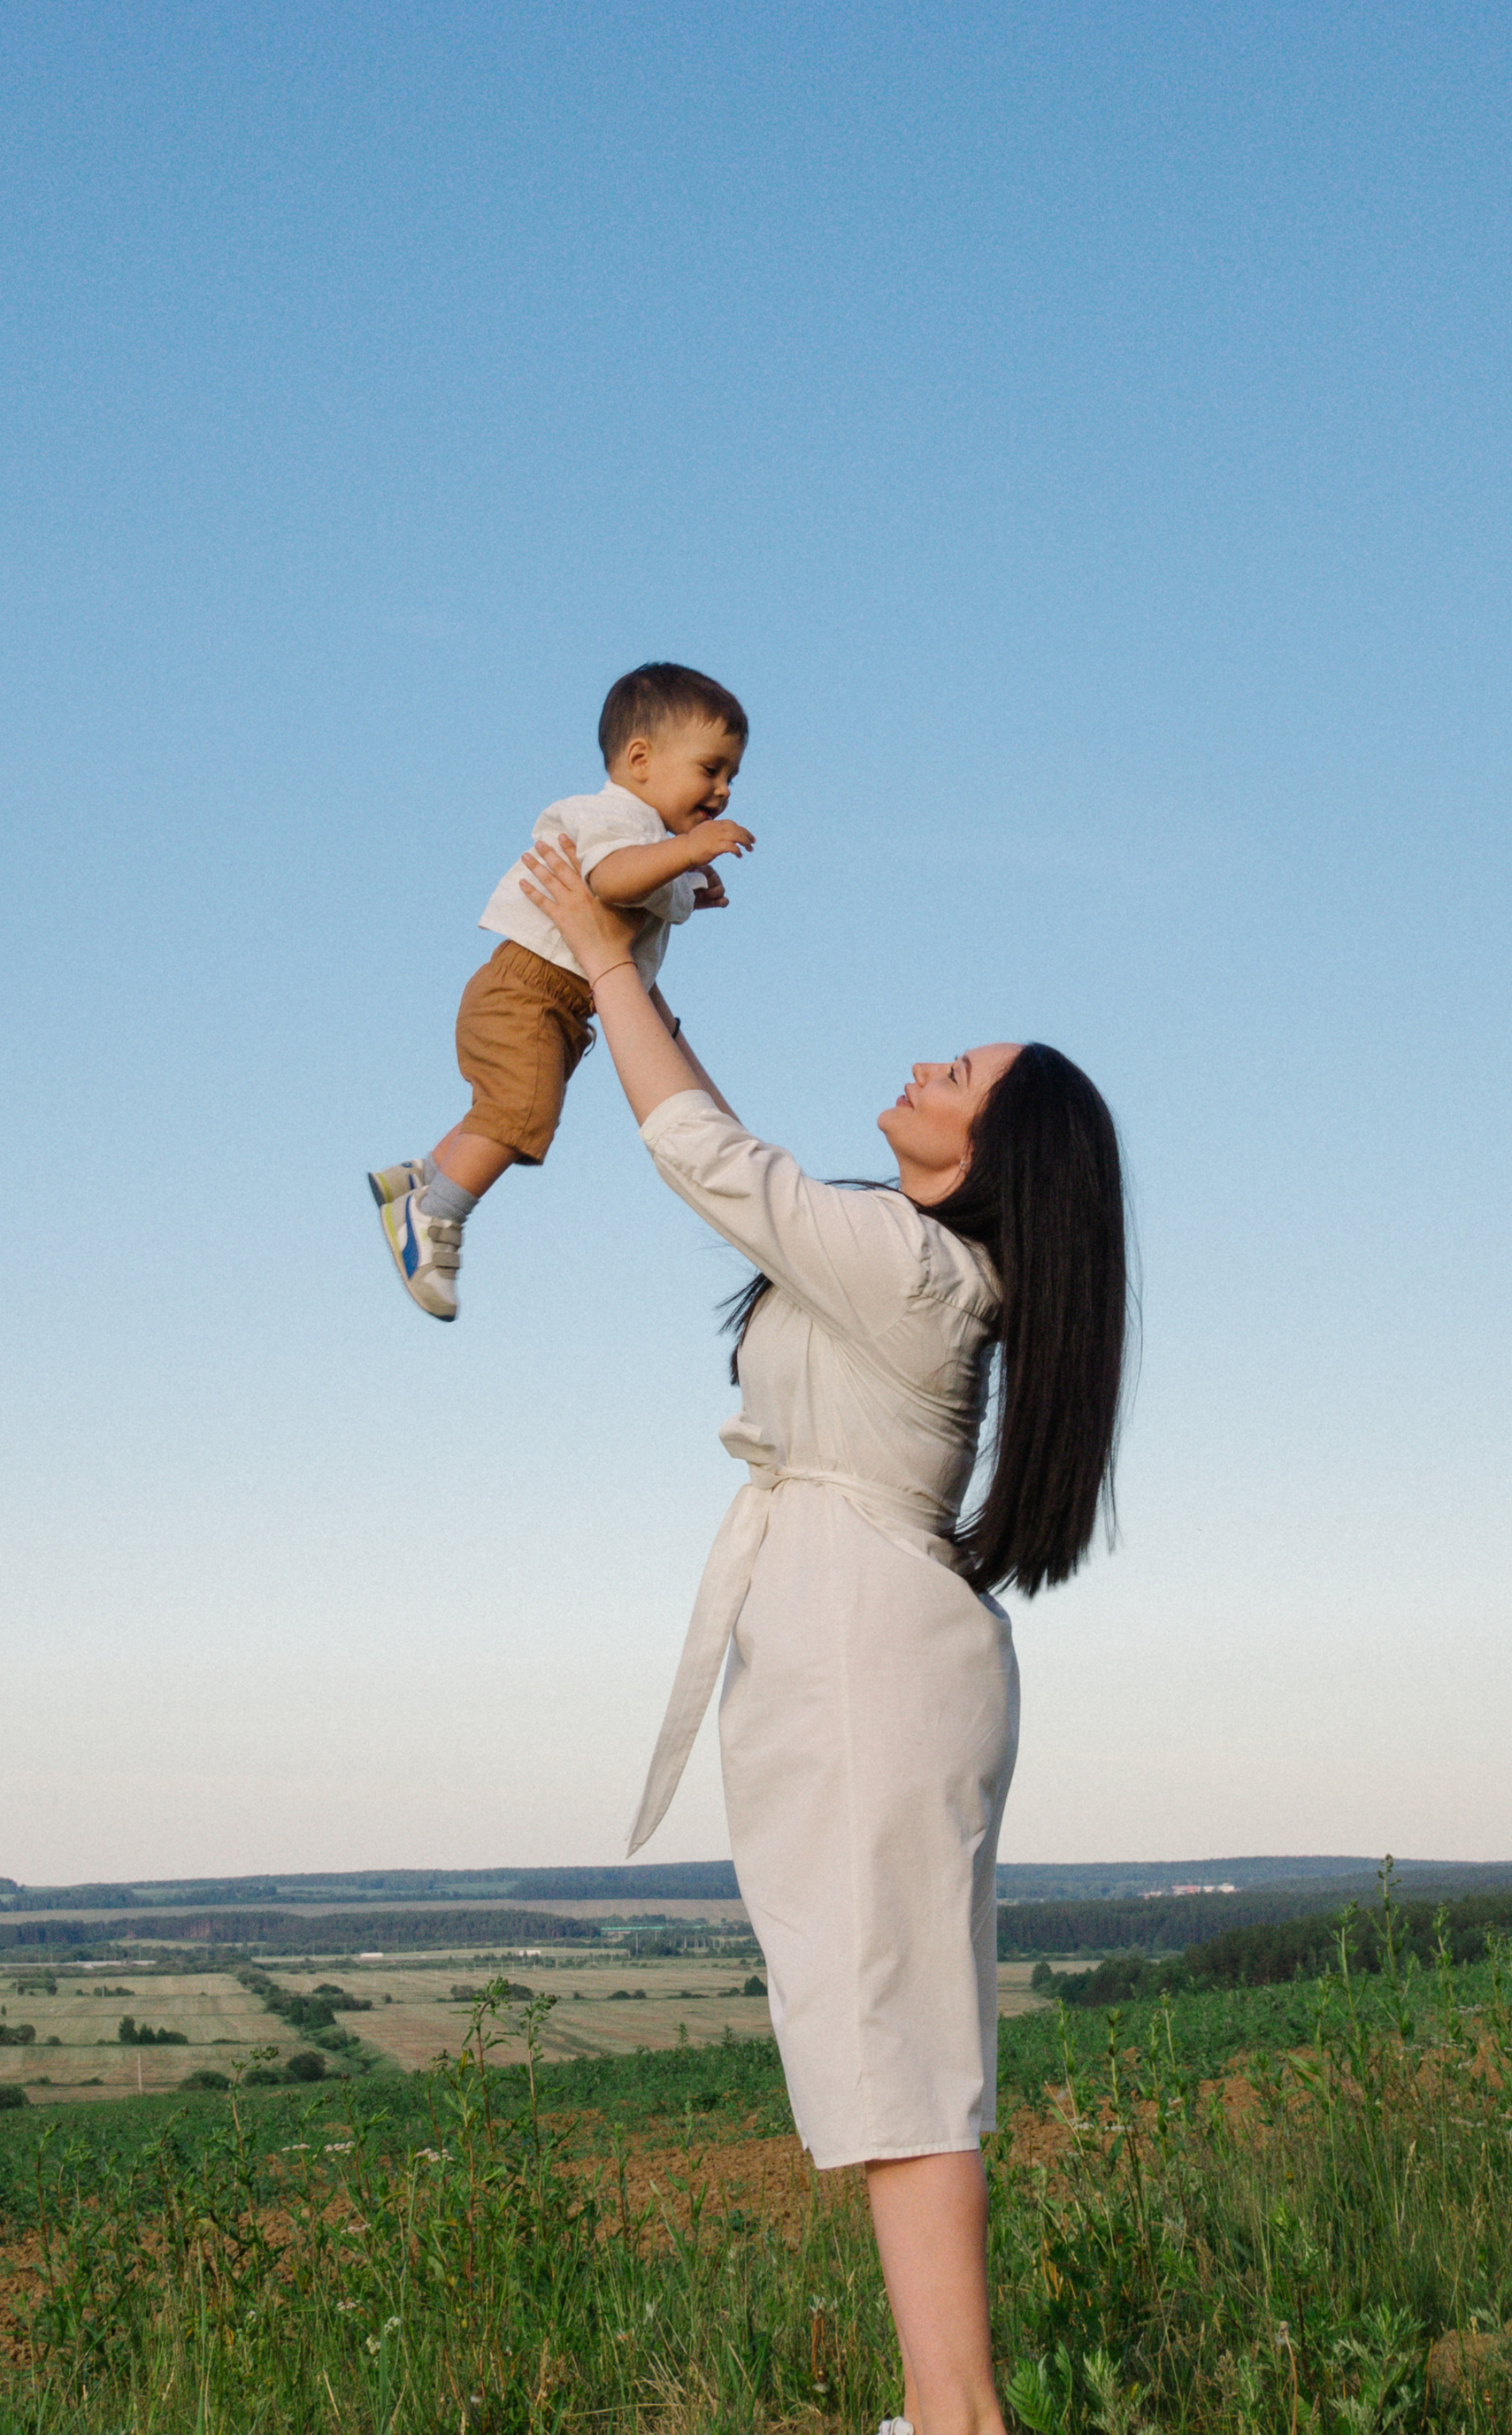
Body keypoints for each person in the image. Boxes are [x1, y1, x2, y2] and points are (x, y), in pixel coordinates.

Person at [518, 834, 1129, 2435]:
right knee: (884, 2049)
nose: (928, 1062)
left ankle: (959, 2417)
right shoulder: (904, 1259)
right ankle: (949, 2412)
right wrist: (634, 971)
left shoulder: (923, 1275)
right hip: (852, 1640)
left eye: (962, 1074)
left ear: (997, 1153)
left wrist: (600, 949)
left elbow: (709, 1157)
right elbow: (739, 1162)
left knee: (898, 2056)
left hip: (869, 1655)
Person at [370, 662, 755, 1319]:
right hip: (526, 990)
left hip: (558, 1003)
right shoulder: (610, 816)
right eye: (710, 769)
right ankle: (432, 1217)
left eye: (731, 778)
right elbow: (611, 878)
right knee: (523, 1109)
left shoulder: (648, 840)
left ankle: (421, 1174)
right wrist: (689, 854)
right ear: (640, 759)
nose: (721, 791)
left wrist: (692, 887)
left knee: (508, 1102)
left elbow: (643, 884)